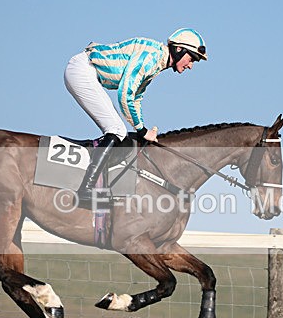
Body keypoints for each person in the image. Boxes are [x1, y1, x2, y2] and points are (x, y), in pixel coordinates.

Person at [64, 28, 207, 205]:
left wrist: (142, 129)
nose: (190, 65)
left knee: (118, 131)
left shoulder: (157, 62)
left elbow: (136, 97)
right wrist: (141, 130)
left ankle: (95, 183)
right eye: (191, 58)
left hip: (87, 72)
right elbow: (125, 94)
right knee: (116, 129)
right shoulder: (151, 57)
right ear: (179, 50)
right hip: (83, 71)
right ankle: (85, 190)